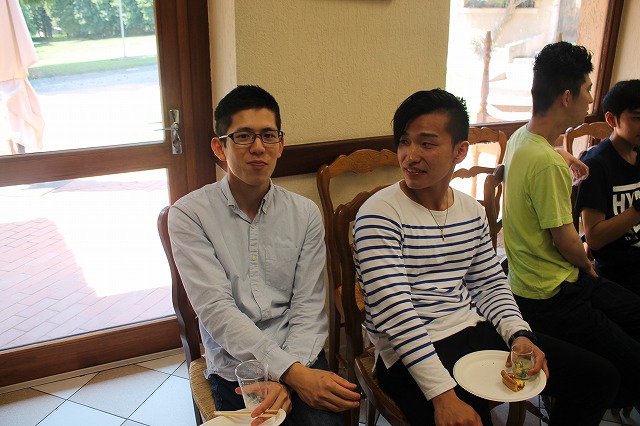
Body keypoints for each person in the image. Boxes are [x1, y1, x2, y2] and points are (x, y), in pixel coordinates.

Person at [354, 88, 618, 426]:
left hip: (468, 328)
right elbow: (396, 314)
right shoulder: (378, 214)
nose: (410, 156)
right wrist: (443, 397)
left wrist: (520, 335)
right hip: (404, 352)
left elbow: (490, 284)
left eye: (427, 143)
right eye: (404, 142)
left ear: (460, 150)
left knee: (600, 378)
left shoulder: (471, 211)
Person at [168, 85, 360, 426]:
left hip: (299, 351)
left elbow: (309, 306)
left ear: (280, 145)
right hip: (235, 364)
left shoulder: (304, 213)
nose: (258, 147)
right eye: (243, 136)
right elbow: (217, 311)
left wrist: (290, 372)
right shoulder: (189, 215)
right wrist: (292, 375)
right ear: (220, 147)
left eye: (268, 135)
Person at [502, 42, 640, 412]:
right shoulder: (546, 163)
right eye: (587, 89)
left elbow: (538, 157)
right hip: (552, 295)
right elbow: (566, 241)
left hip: (538, 282)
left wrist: (561, 154)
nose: (591, 98)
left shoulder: (520, 139)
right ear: (567, 96)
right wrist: (588, 263)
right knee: (619, 367)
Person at [575, 79, 640, 295]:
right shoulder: (596, 165)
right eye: (637, 118)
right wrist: (637, 210)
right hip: (621, 271)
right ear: (611, 119)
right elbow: (594, 238)